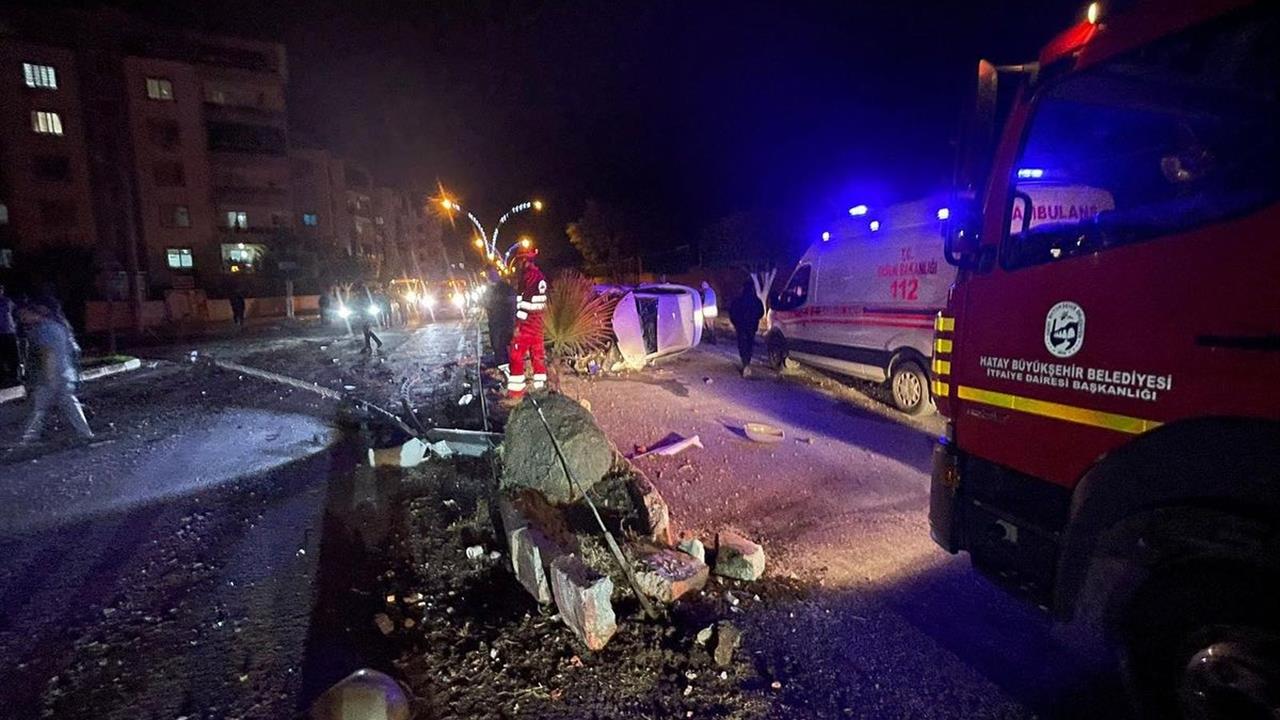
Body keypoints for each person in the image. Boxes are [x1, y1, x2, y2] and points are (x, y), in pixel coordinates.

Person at [18, 298, 93, 443]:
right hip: (63, 372)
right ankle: (85, 433)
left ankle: (28, 437)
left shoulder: (45, 329)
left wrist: (49, 376)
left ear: (35, 314)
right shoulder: (57, 326)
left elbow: (49, 353)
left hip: (52, 374)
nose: (22, 319)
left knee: (38, 407)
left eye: (24, 315)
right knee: (69, 405)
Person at [506, 247, 547, 399]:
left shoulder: (528, 277)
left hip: (527, 325)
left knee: (516, 356)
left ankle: (516, 392)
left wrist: (518, 325)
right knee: (538, 356)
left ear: (524, 261)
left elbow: (525, 303)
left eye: (519, 261)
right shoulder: (540, 276)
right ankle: (540, 388)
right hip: (538, 324)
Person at [728, 279, 764, 376]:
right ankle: (747, 362)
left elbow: (732, 312)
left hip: (740, 327)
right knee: (749, 344)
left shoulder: (738, 300)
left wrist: (735, 323)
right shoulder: (756, 301)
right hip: (752, 326)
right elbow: (761, 313)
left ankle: (745, 363)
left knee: (742, 344)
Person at [484, 269, 516, 366]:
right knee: (508, 346)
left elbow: (486, 303)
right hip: (509, 322)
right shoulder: (509, 288)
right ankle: (510, 365)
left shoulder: (491, 290)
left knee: (498, 347)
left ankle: (502, 366)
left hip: (497, 324)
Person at [0, 285, 18, 387]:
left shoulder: (7, 301)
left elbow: (15, 313)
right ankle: (3, 378)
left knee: (12, 356)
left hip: (9, 332)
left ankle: (14, 377)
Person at [361, 286, 384, 354]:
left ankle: (374, 344)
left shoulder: (369, 298)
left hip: (367, 316)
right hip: (366, 315)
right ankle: (369, 345)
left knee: (367, 331)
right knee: (366, 331)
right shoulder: (367, 298)